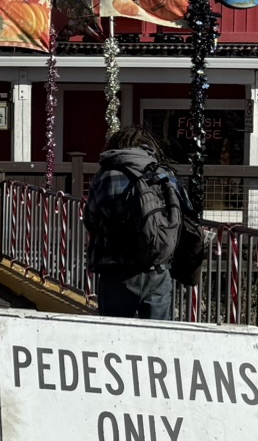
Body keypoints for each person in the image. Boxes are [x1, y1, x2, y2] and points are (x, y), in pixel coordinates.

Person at [83, 127, 197, 320]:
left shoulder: (105, 176)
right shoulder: (164, 174)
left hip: (116, 270)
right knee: (157, 338)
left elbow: (91, 219)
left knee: (114, 335)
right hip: (158, 269)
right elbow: (186, 213)